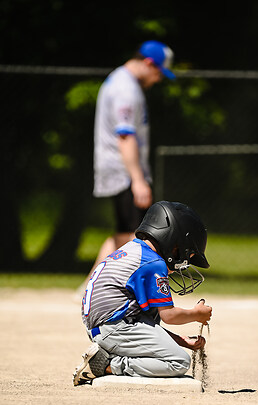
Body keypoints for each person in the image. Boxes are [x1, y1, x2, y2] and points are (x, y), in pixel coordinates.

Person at [73, 201, 212, 385]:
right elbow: (169, 315)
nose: (183, 263)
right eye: (184, 254)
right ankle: (107, 364)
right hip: (113, 328)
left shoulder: (134, 249)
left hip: (107, 325)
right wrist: (196, 314)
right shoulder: (153, 263)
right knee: (179, 361)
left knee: (150, 309)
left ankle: (111, 352)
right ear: (173, 242)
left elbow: (142, 322)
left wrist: (180, 340)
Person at [80, 40, 176, 294]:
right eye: (158, 73)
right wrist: (138, 179)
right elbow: (125, 136)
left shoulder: (120, 81)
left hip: (121, 169)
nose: (157, 79)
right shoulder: (126, 90)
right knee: (138, 237)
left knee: (124, 234)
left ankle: (90, 286)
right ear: (148, 63)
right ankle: (102, 288)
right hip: (124, 171)